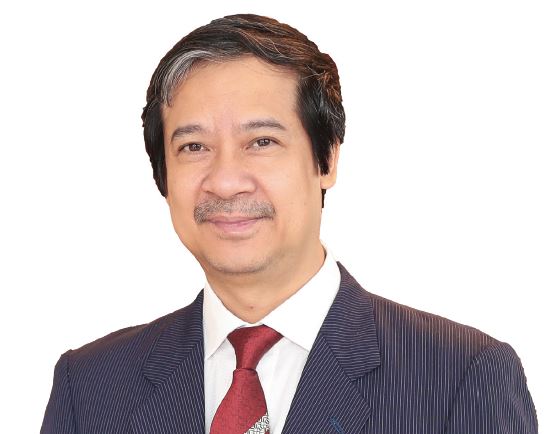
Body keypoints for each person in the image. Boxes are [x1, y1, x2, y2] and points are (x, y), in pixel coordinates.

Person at [41, 13, 537, 434]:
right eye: (193, 147)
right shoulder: (90, 387)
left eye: (262, 142)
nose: (226, 182)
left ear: (327, 160)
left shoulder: (460, 377)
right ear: (163, 176)